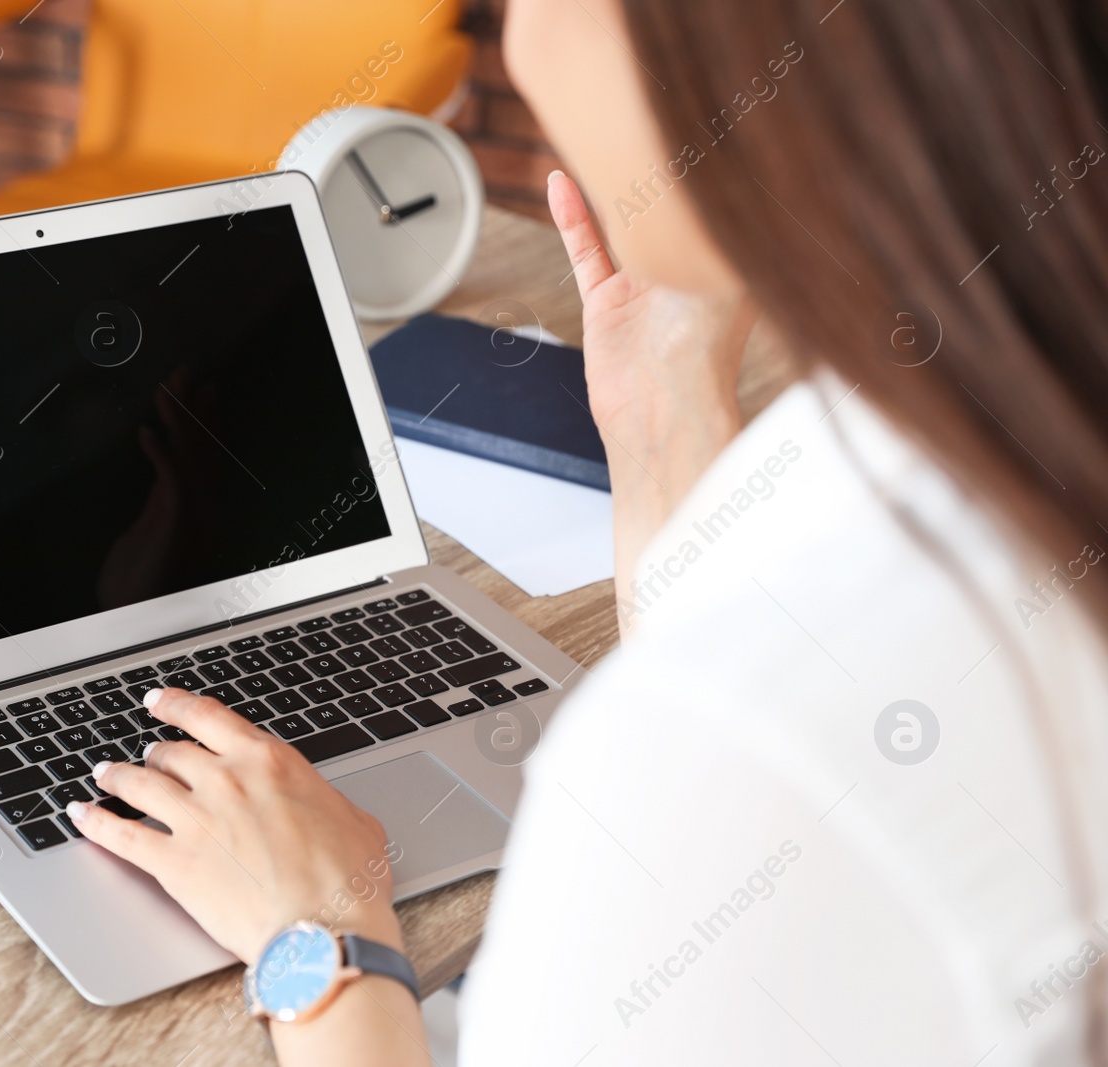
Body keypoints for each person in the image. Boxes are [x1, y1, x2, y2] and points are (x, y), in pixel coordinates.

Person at [63, 0, 1108, 1061]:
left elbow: (744, 736)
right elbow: (748, 667)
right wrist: (663, 412)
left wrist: (318, 931)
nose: (516, 44)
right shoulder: (995, 433)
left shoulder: (734, 746)